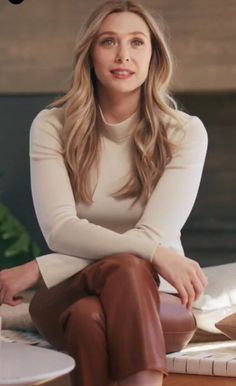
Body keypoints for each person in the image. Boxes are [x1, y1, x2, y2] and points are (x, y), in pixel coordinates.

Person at [0, 1, 208, 385]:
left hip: (153, 299)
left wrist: (40, 268)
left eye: (137, 43)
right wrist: (157, 254)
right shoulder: (52, 125)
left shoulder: (185, 132)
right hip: (66, 293)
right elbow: (60, 230)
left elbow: (151, 237)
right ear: (90, 54)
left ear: (154, 56)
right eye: (108, 41)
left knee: (89, 315)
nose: (123, 55)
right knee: (129, 264)